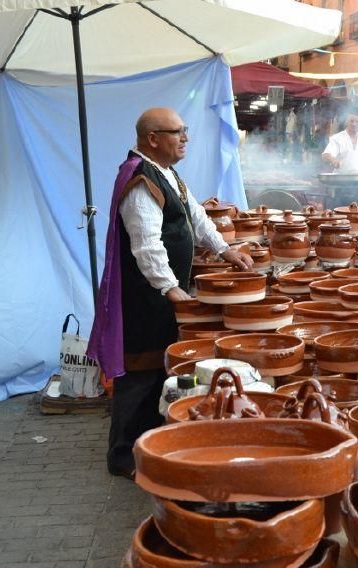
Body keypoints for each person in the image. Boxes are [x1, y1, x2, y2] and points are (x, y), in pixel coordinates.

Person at [88, 107, 253, 479]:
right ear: (153, 139)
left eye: (185, 131)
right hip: (145, 298)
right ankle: (123, 457)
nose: (185, 138)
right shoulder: (141, 181)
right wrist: (171, 288)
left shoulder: (166, 174)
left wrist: (224, 249)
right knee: (139, 375)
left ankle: (148, 444)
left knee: (156, 372)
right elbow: (147, 246)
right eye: (178, 132)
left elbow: (196, 217)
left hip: (161, 295)